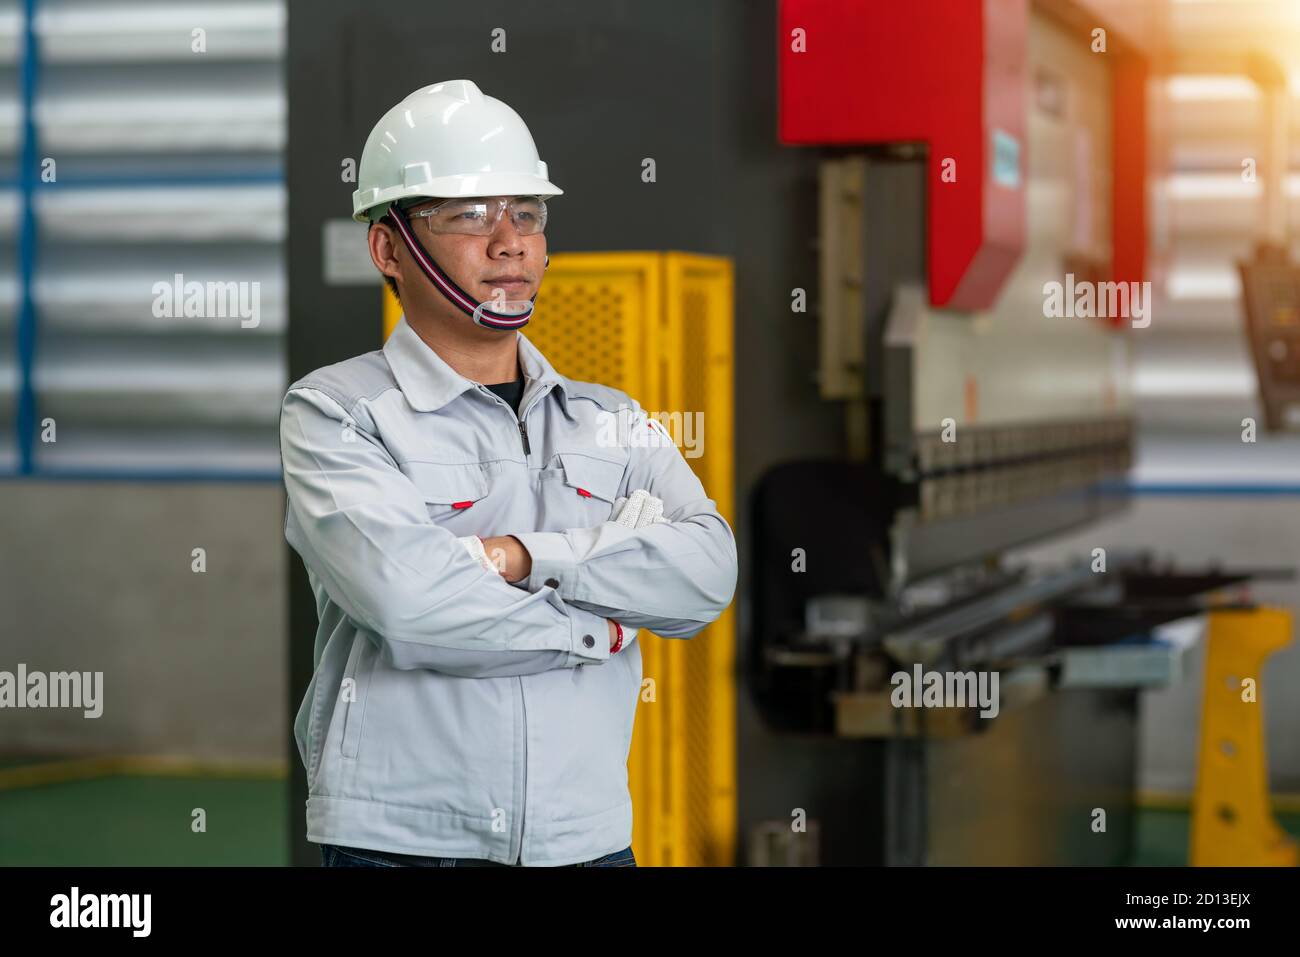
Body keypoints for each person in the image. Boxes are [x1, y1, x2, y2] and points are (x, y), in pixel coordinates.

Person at [279, 79, 738, 867]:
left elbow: (707, 574)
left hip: (585, 839)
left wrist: (521, 558)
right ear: (389, 247)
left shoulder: (610, 416)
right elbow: (410, 604)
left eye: (526, 212)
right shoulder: (338, 412)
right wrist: (603, 620)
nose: (509, 242)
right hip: (400, 844)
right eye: (468, 214)